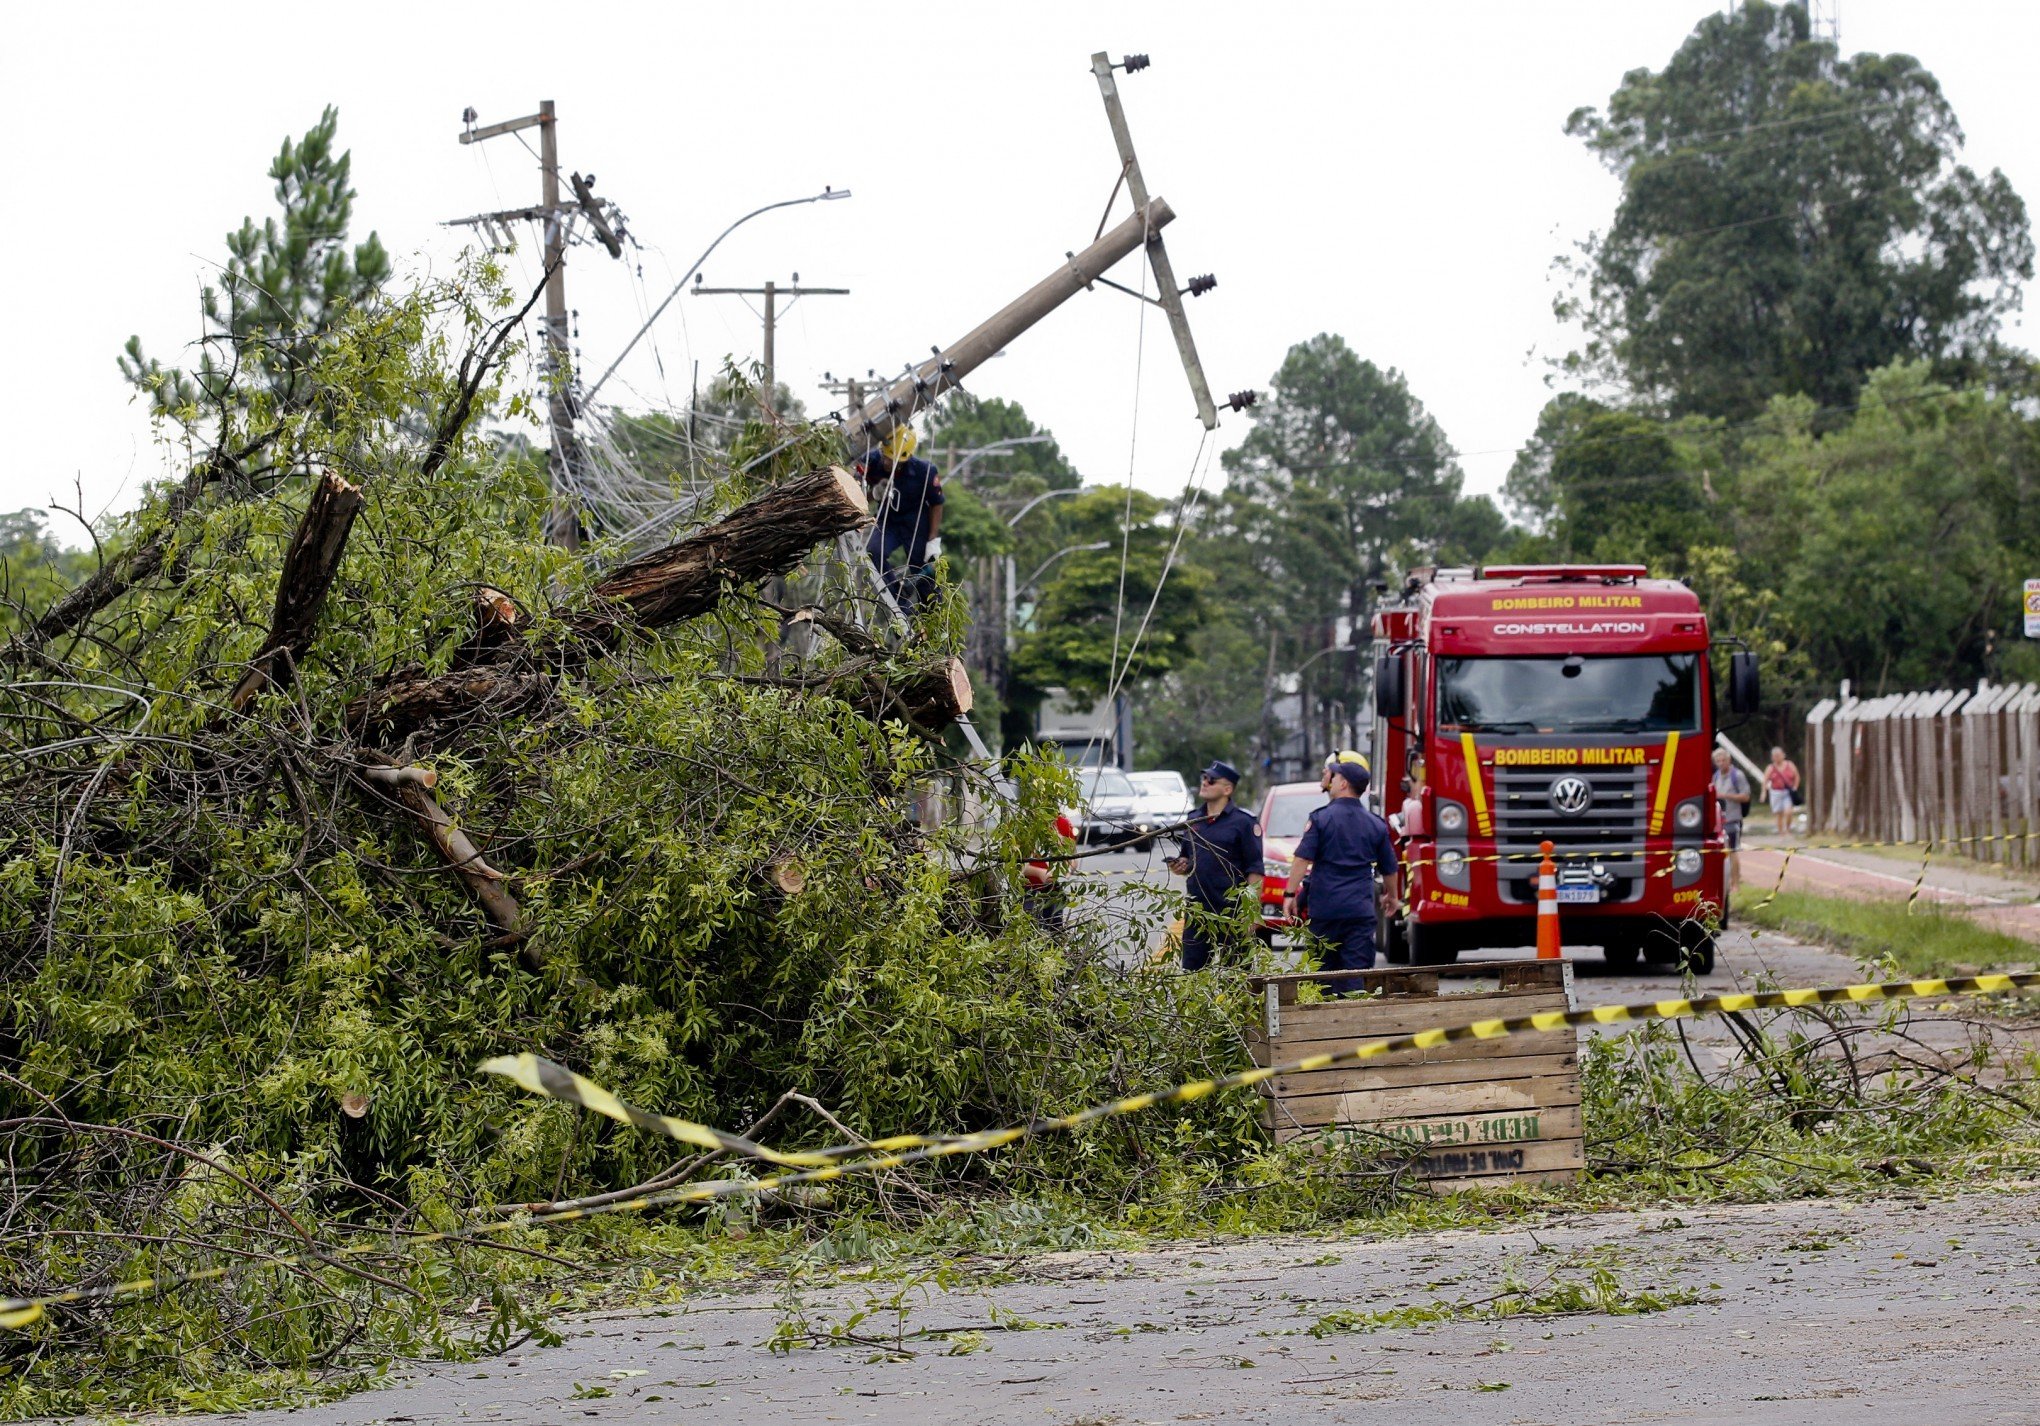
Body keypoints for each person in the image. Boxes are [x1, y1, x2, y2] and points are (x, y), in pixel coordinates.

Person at [1284, 757, 1400, 975]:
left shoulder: (1321, 818)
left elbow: (1302, 859)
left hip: (1325, 911)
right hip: (1359, 912)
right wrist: (1391, 897)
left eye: (1335, 776)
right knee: (1355, 977)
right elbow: (1389, 868)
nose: (1332, 780)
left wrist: (1290, 894)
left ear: (1343, 783)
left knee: (1323, 977)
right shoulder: (1375, 823)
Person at [1166, 759, 1264, 971]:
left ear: (1227, 789)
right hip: (1198, 912)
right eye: (1204, 778)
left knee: (1237, 975)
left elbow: (1255, 870)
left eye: (1211, 780)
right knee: (1193, 973)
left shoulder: (1244, 822)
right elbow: (1187, 857)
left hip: (1232, 912)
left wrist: (1252, 913)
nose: (1205, 783)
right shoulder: (1193, 819)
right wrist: (1180, 866)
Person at [858, 426, 944, 610]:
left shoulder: (924, 472)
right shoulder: (871, 461)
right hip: (887, 520)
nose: (887, 462)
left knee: (924, 573)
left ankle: (933, 619)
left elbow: (937, 504)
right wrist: (874, 493)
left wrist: (933, 539)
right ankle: (901, 607)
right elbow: (856, 495)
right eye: (885, 456)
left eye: (892, 459)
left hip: (916, 524)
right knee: (874, 552)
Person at [1712, 746, 1752, 891]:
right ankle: (1726, 882)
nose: (1721, 763)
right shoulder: (1715, 776)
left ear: (1729, 760)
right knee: (1722, 853)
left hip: (1733, 819)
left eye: (1723, 760)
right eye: (1718, 761)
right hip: (1719, 822)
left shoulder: (1738, 776)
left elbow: (1746, 796)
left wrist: (1726, 796)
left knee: (1733, 851)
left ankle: (1736, 883)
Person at [1764, 745, 1801, 834]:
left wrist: (1795, 787)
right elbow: (1765, 780)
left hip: (1787, 792)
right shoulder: (1770, 768)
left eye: (1779, 755)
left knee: (1788, 812)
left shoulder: (1790, 764)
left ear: (1783, 755)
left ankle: (1788, 829)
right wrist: (1764, 792)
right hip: (1776, 792)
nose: (1777, 758)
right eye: (1775, 756)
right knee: (1779, 814)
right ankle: (1781, 832)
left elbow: (1797, 776)